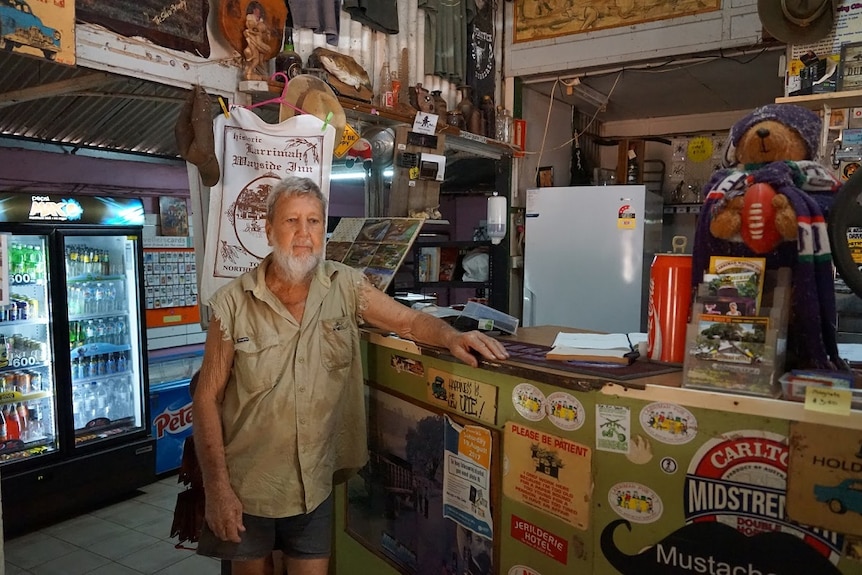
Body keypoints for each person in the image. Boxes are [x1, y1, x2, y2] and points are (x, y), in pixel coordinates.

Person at [193, 175, 509, 575]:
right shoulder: (232, 303)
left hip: (314, 482)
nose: (303, 234)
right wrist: (218, 489)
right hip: (248, 482)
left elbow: (409, 323)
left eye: (313, 221)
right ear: (268, 229)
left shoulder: (346, 287)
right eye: (291, 221)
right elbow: (206, 398)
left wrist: (451, 336)